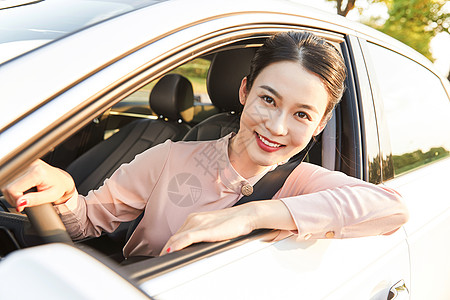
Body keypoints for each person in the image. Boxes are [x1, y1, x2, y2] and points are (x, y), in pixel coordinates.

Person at [1, 32, 409, 258]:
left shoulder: (302, 183)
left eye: (302, 114)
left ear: (320, 124)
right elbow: (87, 222)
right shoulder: (170, 158)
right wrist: (64, 190)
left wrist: (251, 216)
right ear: (245, 91)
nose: (277, 126)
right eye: (268, 99)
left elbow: (392, 209)